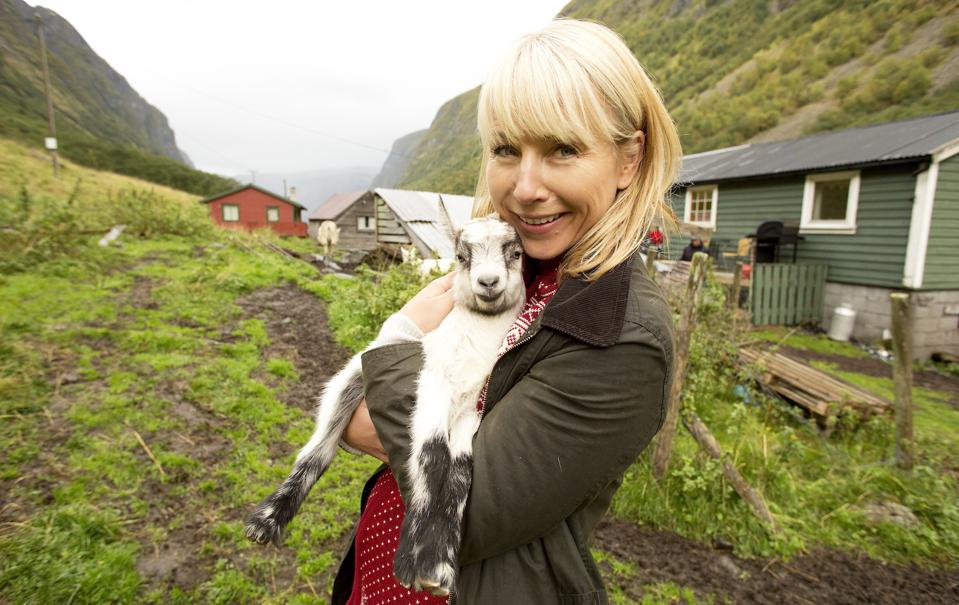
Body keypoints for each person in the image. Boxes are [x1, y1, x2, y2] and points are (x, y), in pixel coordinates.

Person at [334, 19, 680, 604]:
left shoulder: (620, 336)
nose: (524, 187)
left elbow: (463, 507)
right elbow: (361, 419)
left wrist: (396, 339)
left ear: (628, 160)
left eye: (562, 150)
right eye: (505, 150)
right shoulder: (515, 267)